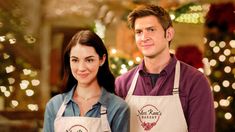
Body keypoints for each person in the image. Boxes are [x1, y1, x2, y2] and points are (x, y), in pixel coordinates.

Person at [115, 4, 215, 132]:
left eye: (151, 30)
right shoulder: (122, 84)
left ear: (169, 34)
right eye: (139, 32)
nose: (144, 37)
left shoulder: (195, 82)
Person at [44, 29, 130, 132]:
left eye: (89, 60)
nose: (81, 68)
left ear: (102, 60)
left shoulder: (117, 108)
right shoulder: (54, 105)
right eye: (75, 60)